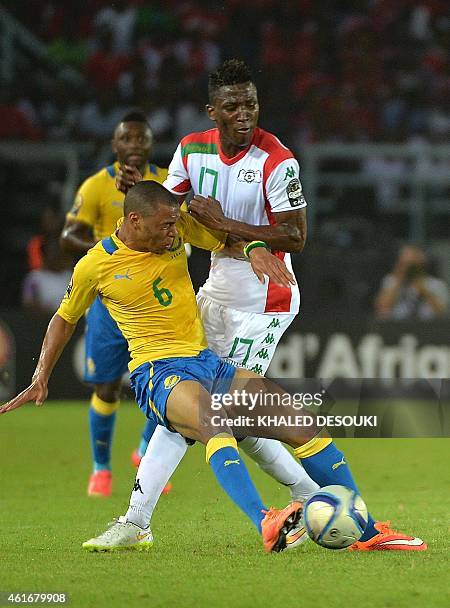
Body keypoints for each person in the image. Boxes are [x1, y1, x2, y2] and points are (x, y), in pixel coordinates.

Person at [1, 181, 425, 553]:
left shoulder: (175, 228)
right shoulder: (96, 264)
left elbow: (223, 239)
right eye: (165, 225)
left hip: (209, 363)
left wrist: (257, 250)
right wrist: (41, 376)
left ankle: (366, 529)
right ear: (133, 221)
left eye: (175, 224)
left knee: (301, 422)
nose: (174, 232)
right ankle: (264, 519)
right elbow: (64, 318)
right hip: (158, 372)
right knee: (214, 422)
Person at [118, 59, 320, 537]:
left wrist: (230, 227)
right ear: (214, 111)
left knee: (222, 409)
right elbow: (165, 210)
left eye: (251, 103)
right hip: (214, 288)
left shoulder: (277, 159)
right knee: (193, 403)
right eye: (233, 106)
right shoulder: (191, 151)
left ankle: (305, 491)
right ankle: (136, 520)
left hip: (263, 298)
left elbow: (295, 236)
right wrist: (137, 200)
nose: (245, 113)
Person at [59, 110, 169, 497]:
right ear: (115, 145)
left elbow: (182, 231)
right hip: (110, 300)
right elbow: (67, 236)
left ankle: (145, 452)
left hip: (157, 300)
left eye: (142, 140)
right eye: (128, 139)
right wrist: (107, 255)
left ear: (151, 145)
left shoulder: (167, 183)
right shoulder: (94, 187)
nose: (135, 146)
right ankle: (101, 469)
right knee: (106, 386)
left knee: (168, 382)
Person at [375, 245, 449, 320]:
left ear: (421, 264)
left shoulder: (436, 284)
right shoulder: (391, 281)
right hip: (396, 325)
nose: (407, 268)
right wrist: (398, 280)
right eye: (403, 264)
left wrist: (422, 287)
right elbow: (381, 308)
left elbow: (441, 313)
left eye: (411, 264)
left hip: (428, 327)